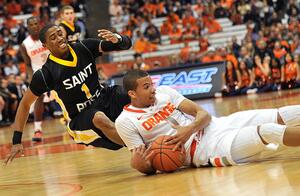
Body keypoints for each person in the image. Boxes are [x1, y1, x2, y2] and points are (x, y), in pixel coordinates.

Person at [115, 69, 300, 174]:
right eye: (147, 87)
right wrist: (138, 164)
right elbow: (148, 167)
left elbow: (203, 114)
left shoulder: (166, 92)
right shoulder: (125, 121)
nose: (153, 90)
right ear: (132, 93)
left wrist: (189, 128)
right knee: (268, 131)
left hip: (217, 124)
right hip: (205, 151)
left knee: (284, 113)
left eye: (152, 85)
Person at [4, 24, 132, 164]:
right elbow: (25, 104)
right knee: (99, 118)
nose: (59, 38)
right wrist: (17, 140)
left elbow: (125, 45)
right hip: (80, 118)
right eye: (53, 38)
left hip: (103, 98)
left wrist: (117, 39)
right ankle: (140, 149)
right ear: (45, 45)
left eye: (60, 34)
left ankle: (154, 130)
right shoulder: (45, 74)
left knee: (132, 93)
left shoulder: (84, 47)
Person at [19, 16, 51, 142]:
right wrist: (30, 77)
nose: (34, 26)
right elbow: (27, 64)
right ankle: (38, 129)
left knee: (64, 95)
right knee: (39, 97)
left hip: (52, 68)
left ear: (40, 24)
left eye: (36, 23)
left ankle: (71, 123)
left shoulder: (47, 36)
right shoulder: (25, 44)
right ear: (28, 27)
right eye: (31, 24)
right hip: (38, 72)